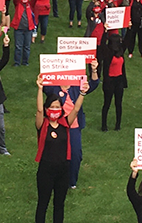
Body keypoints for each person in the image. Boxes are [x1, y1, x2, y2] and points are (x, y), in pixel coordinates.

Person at [33, 76, 84, 223]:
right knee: (43, 203)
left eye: (57, 107)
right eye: (52, 107)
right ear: (47, 108)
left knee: (59, 205)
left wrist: (82, 93)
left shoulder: (65, 123)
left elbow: (76, 109)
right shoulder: (42, 125)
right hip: (46, 171)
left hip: (63, 170)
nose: (55, 110)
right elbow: (38, 109)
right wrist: (40, 88)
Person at [42, 61, 100, 189]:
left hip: (74, 126)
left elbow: (94, 84)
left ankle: (71, 182)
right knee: (55, 154)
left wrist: (94, 70)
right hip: (57, 125)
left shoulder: (76, 85)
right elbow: (43, 85)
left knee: (75, 154)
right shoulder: (53, 87)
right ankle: (54, 180)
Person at [98, 33, 128, 131]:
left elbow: (127, 41)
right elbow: (102, 44)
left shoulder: (121, 51)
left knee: (118, 104)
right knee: (107, 104)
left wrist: (129, 29)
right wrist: (105, 32)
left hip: (119, 80)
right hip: (109, 81)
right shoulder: (107, 52)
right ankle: (104, 126)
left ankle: (118, 125)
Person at [11, 0, 39, 67]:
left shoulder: (30, 5)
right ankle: (17, 62)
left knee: (27, 47)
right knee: (18, 46)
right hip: (18, 29)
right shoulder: (17, 3)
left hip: (28, 29)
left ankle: (25, 62)